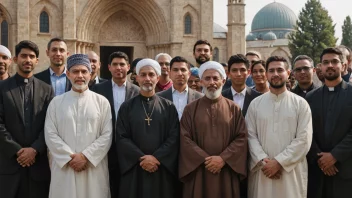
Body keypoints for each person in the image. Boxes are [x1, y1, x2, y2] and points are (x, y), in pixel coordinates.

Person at [44, 54, 112, 198]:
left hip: (93, 168)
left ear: (90, 74)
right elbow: (50, 134)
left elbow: (107, 135)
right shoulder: (56, 103)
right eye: (75, 71)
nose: (80, 75)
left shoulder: (102, 102)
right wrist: (70, 158)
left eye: (84, 71)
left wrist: (86, 157)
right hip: (65, 169)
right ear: (68, 74)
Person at [246, 56, 312, 198]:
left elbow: (304, 139)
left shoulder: (301, 104)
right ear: (266, 74)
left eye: (280, 70)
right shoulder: (255, 104)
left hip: (290, 172)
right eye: (271, 70)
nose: (275, 74)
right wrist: (263, 161)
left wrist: (279, 162)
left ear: (288, 73)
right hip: (262, 171)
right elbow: (250, 136)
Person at [179, 61, 248, 198]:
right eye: (207, 78)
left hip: (226, 170)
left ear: (223, 80)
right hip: (199, 170)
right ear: (201, 82)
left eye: (215, 78)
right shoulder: (190, 109)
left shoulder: (234, 108)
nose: (212, 82)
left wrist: (223, 159)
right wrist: (206, 160)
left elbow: (241, 137)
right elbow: (184, 138)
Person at [116, 58, 180, 198]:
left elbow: (174, 137)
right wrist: (141, 158)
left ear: (157, 78)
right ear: (137, 78)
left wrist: (157, 158)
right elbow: (121, 137)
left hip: (161, 168)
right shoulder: (127, 107)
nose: (147, 79)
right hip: (135, 168)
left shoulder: (168, 107)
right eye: (143, 75)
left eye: (151, 75)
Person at [0, 40, 53, 198]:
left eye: (32, 56)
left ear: (37, 61)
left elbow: (50, 125)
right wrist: (17, 151)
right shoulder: (2, 88)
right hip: (9, 166)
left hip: (38, 166)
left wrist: (35, 149)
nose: (28, 60)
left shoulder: (47, 90)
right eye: (24, 56)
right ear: (15, 59)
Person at [91, 51, 140, 198]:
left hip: (129, 147)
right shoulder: (97, 90)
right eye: (115, 64)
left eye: (122, 64)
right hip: (105, 147)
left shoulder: (137, 91)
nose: (119, 68)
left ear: (129, 67)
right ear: (109, 67)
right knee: (106, 184)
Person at [306, 47, 352, 198]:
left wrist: (334, 156)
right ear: (320, 67)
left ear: (343, 66)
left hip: (344, 170)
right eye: (325, 62)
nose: (330, 65)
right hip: (317, 171)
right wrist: (321, 158)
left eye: (334, 61)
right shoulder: (310, 97)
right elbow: (305, 131)